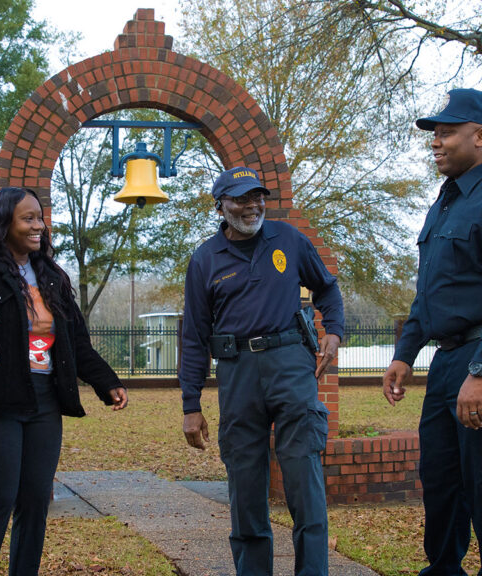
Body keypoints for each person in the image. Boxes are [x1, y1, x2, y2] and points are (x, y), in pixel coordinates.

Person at [382, 88, 482, 576]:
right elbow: (430, 292)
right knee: (443, 482)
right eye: (435, 133)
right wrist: (405, 352)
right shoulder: (445, 205)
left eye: (447, 132)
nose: (436, 141)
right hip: (449, 361)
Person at [0, 187, 129, 576]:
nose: (38, 226)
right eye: (27, 219)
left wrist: (105, 382)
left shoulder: (52, 276)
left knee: (34, 501)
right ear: (2, 223)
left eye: (40, 218)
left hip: (45, 403)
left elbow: (76, 340)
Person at [179, 167, 344, 576]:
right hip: (237, 374)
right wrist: (191, 403)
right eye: (240, 199)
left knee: (304, 480)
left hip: (291, 365)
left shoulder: (288, 240)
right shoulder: (204, 258)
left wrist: (335, 333)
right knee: (246, 487)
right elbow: (195, 336)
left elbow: (327, 287)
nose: (252, 206)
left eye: (258, 197)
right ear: (220, 205)